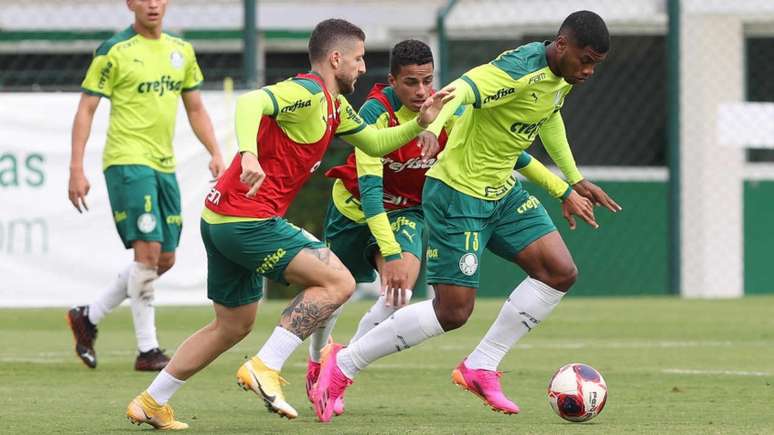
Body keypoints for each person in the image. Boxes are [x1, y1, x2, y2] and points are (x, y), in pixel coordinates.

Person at [125, 18, 453, 430]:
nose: (362, 67)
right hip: (247, 220)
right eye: (358, 58)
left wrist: (421, 123)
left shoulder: (336, 106)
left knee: (232, 325)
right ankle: (266, 365)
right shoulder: (309, 91)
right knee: (339, 282)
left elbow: (374, 142)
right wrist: (247, 153)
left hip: (221, 219)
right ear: (336, 59)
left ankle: (153, 400)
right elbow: (250, 103)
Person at [313, 10, 622, 422]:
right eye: (585, 60)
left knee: (559, 271)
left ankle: (481, 365)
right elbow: (461, 89)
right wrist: (430, 123)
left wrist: (572, 180)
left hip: (503, 192)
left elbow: (548, 118)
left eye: (595, 65)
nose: (588, 71)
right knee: (453, 312)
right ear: (562, 46)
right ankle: (344, 365)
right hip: (458, 193)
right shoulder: (515, 70)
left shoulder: (559, 79)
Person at [66, 0, 225, 372]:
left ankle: (88, 315)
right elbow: (86, 109)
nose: (152, 4)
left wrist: (215, 151)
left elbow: (196, 108)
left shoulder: (181, 50)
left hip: (164, 166)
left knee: (163, 259)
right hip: (126, 162)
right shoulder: (114, 51)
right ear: (130, 4)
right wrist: (76, 167)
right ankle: (147, 350)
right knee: (149, 251)